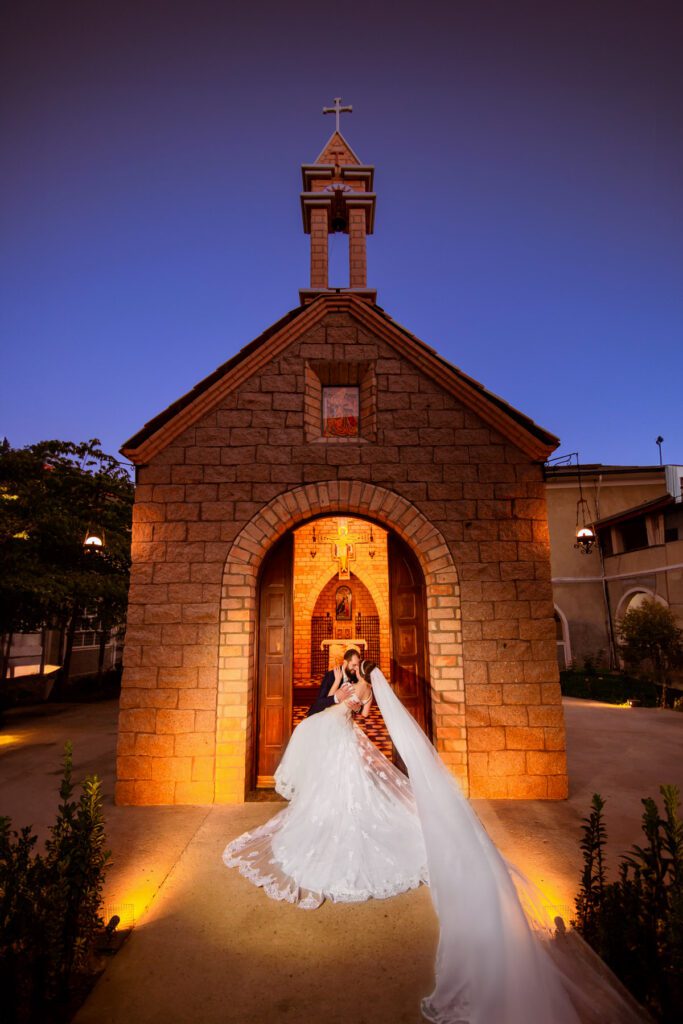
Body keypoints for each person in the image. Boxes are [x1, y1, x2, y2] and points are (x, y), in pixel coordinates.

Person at [223, 661, 650, 1023]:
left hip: (343, 736)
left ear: (363, 670)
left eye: (355, 665)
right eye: (351, 665)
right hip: (337, 739)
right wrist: (341, 683)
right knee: (339, 792)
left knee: (358, 794)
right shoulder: (353, 683)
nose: (351, 668)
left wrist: (349, 691)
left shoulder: (364, 691)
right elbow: (337, 699)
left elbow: (352, 706)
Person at [305, 647, 360, 717]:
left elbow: (360, 702)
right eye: (354, 665)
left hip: (342, 717)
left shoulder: (355, 677)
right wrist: (336, 697)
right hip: (322, 715)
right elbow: (320, 702)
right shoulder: (330, 675)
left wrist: (358, 709)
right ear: (345, 662)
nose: (356, 668)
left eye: (357, 665)